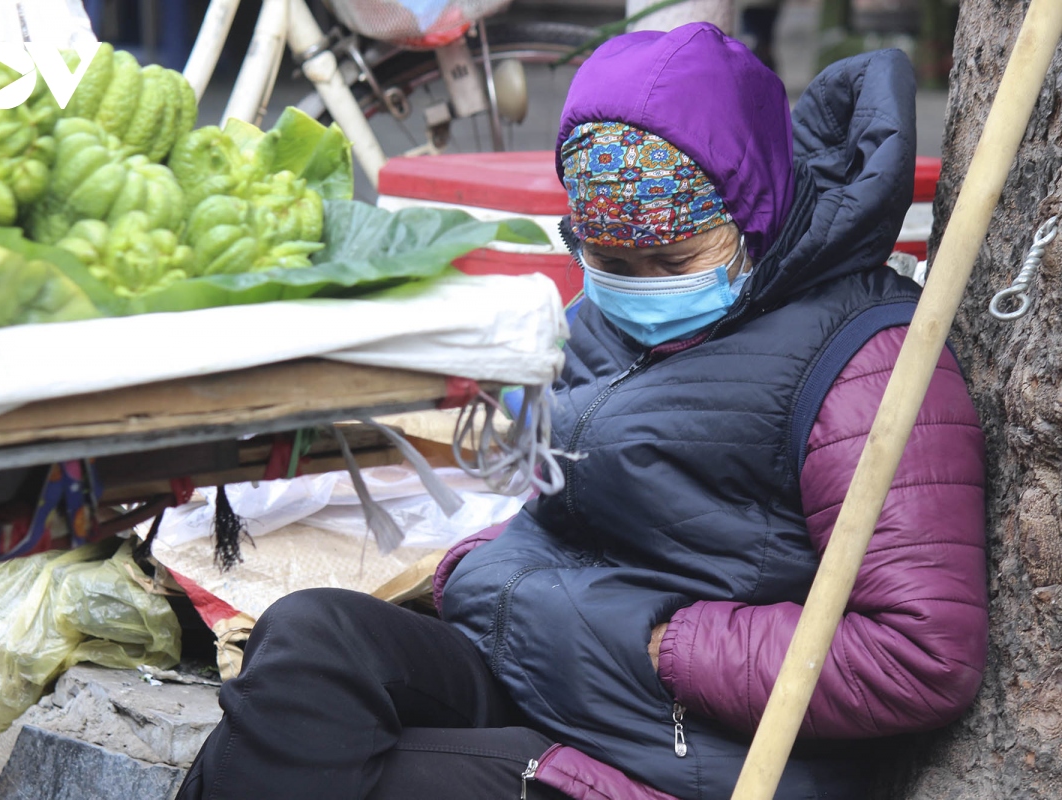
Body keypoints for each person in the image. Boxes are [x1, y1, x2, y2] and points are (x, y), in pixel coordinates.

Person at [177, 23, 987, 800]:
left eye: (672, 260)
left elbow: (920, 656)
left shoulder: (868, 362)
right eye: (608, 258)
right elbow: (573, 504)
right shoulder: (609, 313)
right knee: (310, 641)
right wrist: (486, 573)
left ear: (756, 215)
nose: (641, 284)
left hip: (669, 749)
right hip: (536, 668)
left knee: (329, 773)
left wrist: (661, 645)